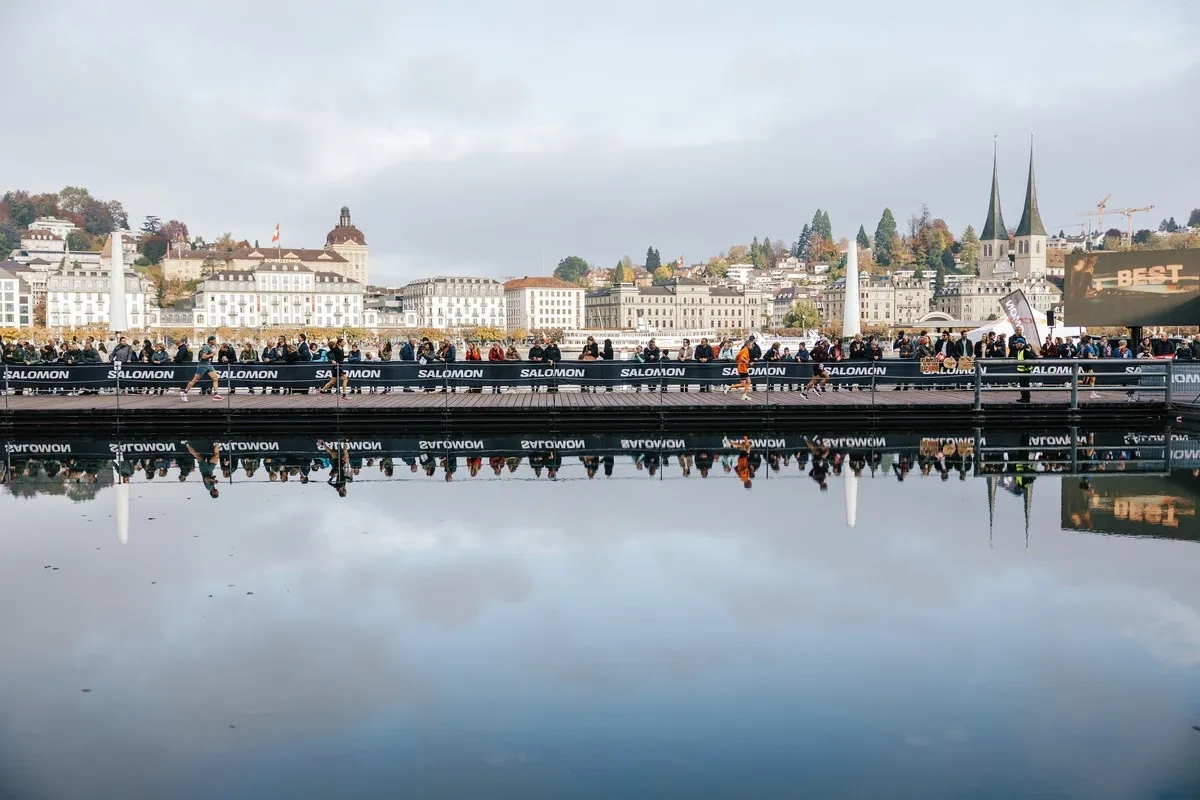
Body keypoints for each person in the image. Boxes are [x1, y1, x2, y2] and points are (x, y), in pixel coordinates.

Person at [180, 335, 222, 401]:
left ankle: (215, 395)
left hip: (208, 365)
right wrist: (212, 354)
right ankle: (184, 392)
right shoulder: (206, 347)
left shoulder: (209, 347)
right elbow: (203, 357)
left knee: (215, 378)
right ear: (210, 341)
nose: (215, 341)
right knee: (195, 380)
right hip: (202, 365)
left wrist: (212, 354)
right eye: (214, 340)